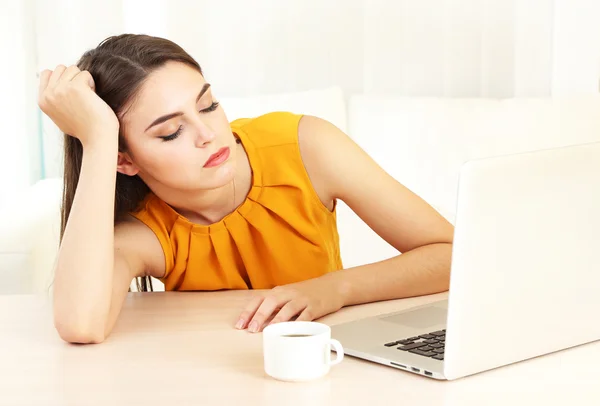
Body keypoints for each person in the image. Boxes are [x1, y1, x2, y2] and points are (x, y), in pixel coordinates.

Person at [38, 34, 454, 344]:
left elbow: (454, 255)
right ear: (123, 160)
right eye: (170, 132)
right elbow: (80, 323)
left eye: (209, 105)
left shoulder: (306, 146)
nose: (208, 134)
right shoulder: (146, 232)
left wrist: (335, 288)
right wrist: (97, 142)